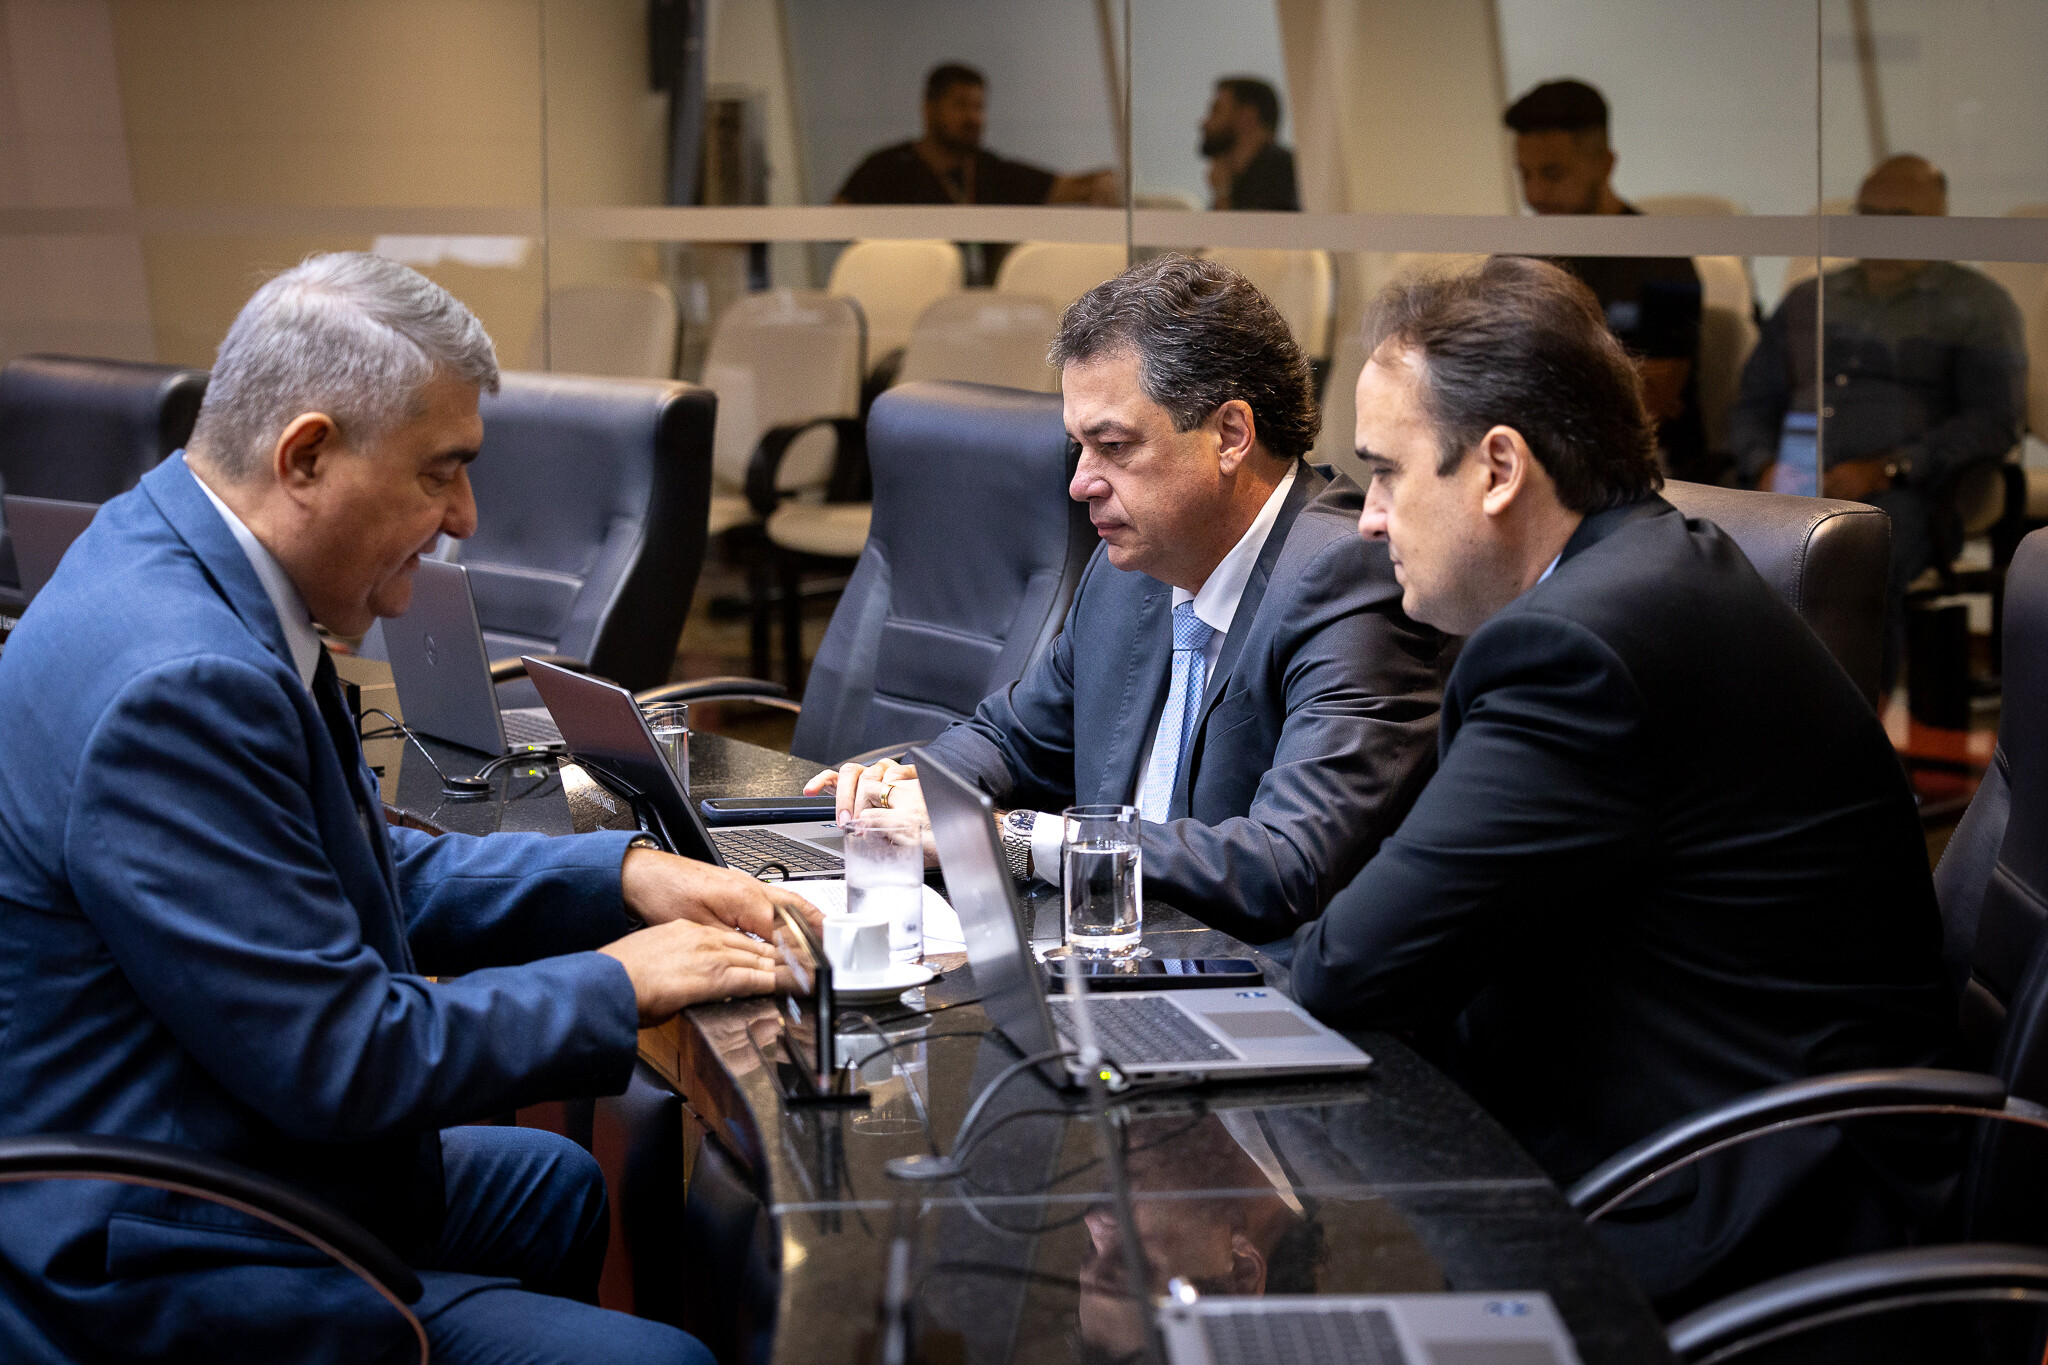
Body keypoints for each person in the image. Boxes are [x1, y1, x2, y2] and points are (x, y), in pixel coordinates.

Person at [0, 253, 817, 1364]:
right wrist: (621, 981)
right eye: (441, 473)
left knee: (552, 1183)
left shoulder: (164, 551)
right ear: (306, 456)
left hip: (186, 1128)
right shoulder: (183, 683)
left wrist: (621, 875)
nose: (466, 518)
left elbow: (358, 869)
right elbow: (344, 1058)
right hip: (150, 1258)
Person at [1289, 256, 1956, 1314]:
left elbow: (1352, 968)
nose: (1368, 517)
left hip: (1745, 1214)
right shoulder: (1639, 573)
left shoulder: (1580, 649)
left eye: (1385, 472)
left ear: (1497, 467)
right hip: (1682, 1136)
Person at [808, 255, 1451, 945]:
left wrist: (1004, 836)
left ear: (1231, 435)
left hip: (1252, 981)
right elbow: (1012, 737)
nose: (1081, 483)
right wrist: (916, 790)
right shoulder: (1131, 566)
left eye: (1113, 446)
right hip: (1109, 953)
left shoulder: (1347, 577)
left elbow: (1285, 863)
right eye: (1079, 448)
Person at [1729, 153, 2026, 695]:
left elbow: (1993, 421)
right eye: (1869, 216)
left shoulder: (1977, 306)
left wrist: (1889, 468)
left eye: (1902, 219)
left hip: (1903, 490)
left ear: (1939, 223)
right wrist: (1765, 465)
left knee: (1854, 567)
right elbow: (1752, 403)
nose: (1881, 232)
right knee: (1700, 549)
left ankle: (1849, 730)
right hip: (1788, 482)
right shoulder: (1810, 299)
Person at [1503, 78, 1711, 482]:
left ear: (1605, 164)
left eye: (1552, 174)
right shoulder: (1518, 259)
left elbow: (1648, 402)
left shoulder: (1662, 259)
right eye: (1524, 175)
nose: (1534, 193)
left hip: (1639, 473)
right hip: (1537, 461)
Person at [835, 62, 1116, 283]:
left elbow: (1067, 187)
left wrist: (1104, 183)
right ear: (929, 109)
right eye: (960, 105)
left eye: (979, 106)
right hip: (907, 301)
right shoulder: (889, 168)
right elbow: (837, 219)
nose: (973, 118)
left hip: (982, 311)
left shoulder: (990, 169)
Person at [1199, 76, 1299, 212]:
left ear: (1247, 116)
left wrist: (1223, 193)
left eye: (1216, 111)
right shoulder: (1236, 181)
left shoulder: (1281, 169)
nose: (1204, 122)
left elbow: (1259, 225)